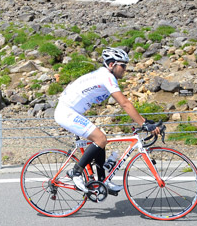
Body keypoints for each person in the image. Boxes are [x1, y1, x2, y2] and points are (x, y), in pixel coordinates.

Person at [54, 47, 160, 193]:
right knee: (101, 138)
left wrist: (144, 121)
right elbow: (124, 103)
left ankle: (102, 181)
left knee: (100, 140)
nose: (125, 69)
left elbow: (125, 104)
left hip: (72, 111)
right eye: (122, 65)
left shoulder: (104, 75)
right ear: (111, 65)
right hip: (66, 112)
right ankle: (76, 172)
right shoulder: (107, 77)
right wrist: (143, 124)